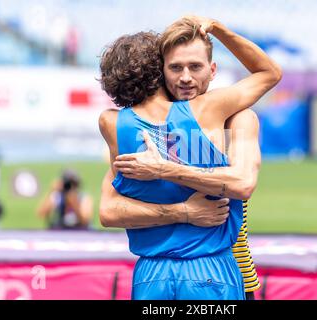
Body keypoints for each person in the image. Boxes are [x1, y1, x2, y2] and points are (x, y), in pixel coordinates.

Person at [98, 16, 281, 300]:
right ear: (160, 72)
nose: (185, 77)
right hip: (216, 268)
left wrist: (164, 170)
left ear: (212, 69)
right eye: (175, 68)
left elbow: (243, 182)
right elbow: (108, 211)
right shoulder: (194, 115)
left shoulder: (236, 117)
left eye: (195, 67)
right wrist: (184, 210)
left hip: (218, 267)